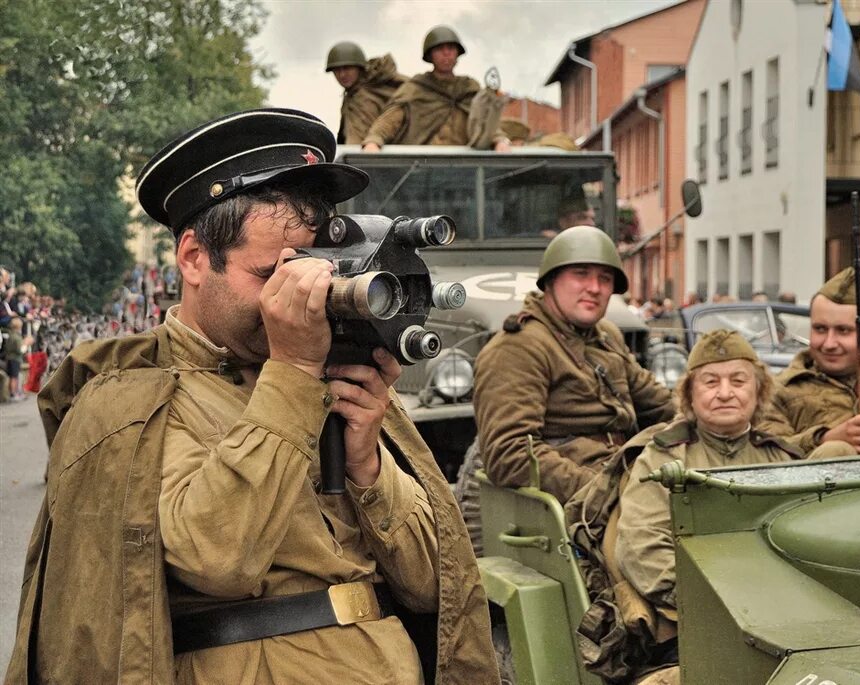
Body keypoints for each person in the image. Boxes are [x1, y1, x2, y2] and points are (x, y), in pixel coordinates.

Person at [6, 108, 499, 685]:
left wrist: (369, 467)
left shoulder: (337, 379)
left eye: (310, 274)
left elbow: (440, 586)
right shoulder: (126, 401)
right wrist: (291, 373)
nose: (296, 303)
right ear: (193, 258)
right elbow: (217, 559)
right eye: (271, 275)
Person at [600, 330, 848, 685]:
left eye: (738, 380)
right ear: (689, 393)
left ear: (759, 390)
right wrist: (728, 604)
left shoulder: (778, 457)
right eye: (710, 381)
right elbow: (642, 549)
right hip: (691, 626)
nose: (725, 392)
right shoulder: (664, 457)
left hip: (781, 622)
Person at [473, 225, 675, 505]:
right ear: (551, 280)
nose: (594, 288)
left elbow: (660, 403)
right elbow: (509, 455)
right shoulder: (519, 347)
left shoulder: (606, 337)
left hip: (627, 472)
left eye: (605, 279)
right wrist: (601, 489)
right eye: (581, 274)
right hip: (576, 499)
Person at [759, 267, 860, 453]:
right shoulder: (778, 390)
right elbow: (768, 454)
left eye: (843, 330)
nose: (829, 343)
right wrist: (822, 439)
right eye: (820, 329)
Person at [362, 26, 509, 151]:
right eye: (440, 49)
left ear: (457, 53)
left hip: (463, 169)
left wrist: (499, 140)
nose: (446, 53)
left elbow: (484, 120)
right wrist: (374, 141)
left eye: (451, 48)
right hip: (421, 167)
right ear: (430, 55)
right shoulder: (415, 88)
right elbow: (390, 120)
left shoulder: (469, 88)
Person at [325, 41, 407, 145]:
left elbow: (356, 142)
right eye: (336, 70)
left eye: (347, 68)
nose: (342, 75)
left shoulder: (361, 97)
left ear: (359, 67)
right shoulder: (357, 91)